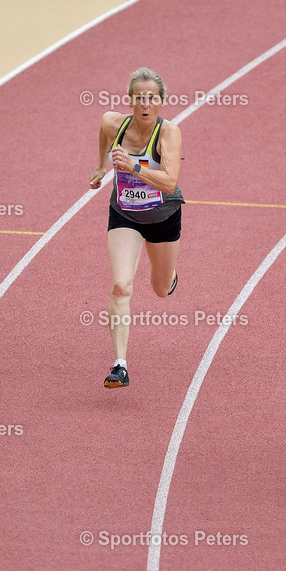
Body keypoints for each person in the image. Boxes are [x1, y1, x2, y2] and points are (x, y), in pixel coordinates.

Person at [89, 68, 184, 388]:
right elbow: (103, 129)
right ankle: (120, 365)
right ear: (130, 100)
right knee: (121, 286)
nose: (145, 103)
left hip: (162, 216)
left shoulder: (168, 132)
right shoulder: (114, 123)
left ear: (161, 102)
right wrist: (100, 166)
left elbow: (169, 181)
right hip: (125, 215)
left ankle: (169, 275)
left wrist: (133, 166)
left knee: (160, 289)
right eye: (139, 97)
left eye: (152, 98)